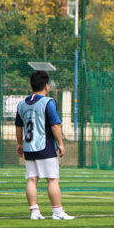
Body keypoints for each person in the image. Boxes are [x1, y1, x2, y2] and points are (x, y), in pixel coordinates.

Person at [15, 70, 74, 220]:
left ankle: (34, 212)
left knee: (31, 179)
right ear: (46, 86)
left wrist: (20, 144)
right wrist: (61, 143)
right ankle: (57, 212)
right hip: (45, 145)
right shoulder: (48, 102)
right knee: (52, 179)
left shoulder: (22, 104)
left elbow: (18, 126)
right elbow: (55, 125)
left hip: (29, 147)